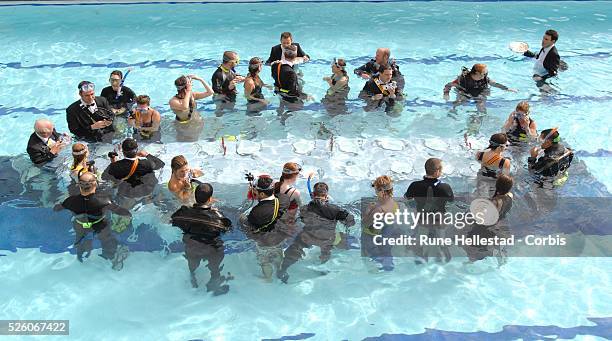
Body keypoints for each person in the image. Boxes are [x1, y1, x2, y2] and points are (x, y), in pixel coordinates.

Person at [276, 182, 355, 283]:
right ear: (326, 196)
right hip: (326, 239)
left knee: (295, 249)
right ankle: (323, 269)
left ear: (313, 194)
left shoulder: (305, 208)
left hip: (308, 236)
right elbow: (351, 222)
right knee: (326, 251)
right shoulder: (336, 210)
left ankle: (283, 270)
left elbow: (303, 220)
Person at [53, 172, 130, 270]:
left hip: (80, 225)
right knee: (107, 239)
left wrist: (60, 203)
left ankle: (81, 257)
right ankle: (111, 257)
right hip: (99, 225)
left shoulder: (70, 201)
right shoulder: (104, 201)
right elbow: (123, 212)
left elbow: (56, 209)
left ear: (79, 186)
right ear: (95, 185)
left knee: (80, 240)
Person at [171, 183, 232, 295]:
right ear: (210, 199)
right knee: (214, 268)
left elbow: (173, 221)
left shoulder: (183, 213)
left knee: (192, 264)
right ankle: (214, 283)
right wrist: (216, 211)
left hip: (192, 248)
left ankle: (193, 278)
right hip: (213, 249)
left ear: (195, 197)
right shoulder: (218, 218)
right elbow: (228, 230)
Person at [404, 158, 455, 263]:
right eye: (441, 170)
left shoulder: (415, 185)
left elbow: (406, 198)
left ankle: (421, 257)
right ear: (437, 172)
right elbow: (451, 201)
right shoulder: (445, 187)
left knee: (421, 236)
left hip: (423, 218)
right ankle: (442, 255)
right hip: (439, 219)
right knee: (441, 237)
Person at [239, 175, 286, 282]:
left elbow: (250, 230)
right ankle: (280, 271)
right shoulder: (283, 200)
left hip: (264, 242)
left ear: (262, 193)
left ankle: (268, 278)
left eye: (256, 191)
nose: (254, 192)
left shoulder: (256, 213)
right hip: (278, 237)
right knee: (278, 252)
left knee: (264, 261)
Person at [361, 175, 404, 271]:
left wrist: (368, 210)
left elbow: (365, 224)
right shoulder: (394, 204)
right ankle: (389, 266)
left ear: (382, 191)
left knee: (370, 252)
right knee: (386, 252)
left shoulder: (379, 209)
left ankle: (377, 266)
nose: (375, 192)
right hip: (386, 233)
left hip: (371, 235)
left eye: (376, 190)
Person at [443, 64, 517, 113]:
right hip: (465, 92)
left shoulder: (485, 79)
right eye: (484, 73)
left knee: (481, 107)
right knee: (459, 102)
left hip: (480, 92)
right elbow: (448, 85)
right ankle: (452, 112)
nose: (485, 75)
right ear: (477, 73)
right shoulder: (463, 79)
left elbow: (494, 84)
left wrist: (506, 88)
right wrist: (446, 94)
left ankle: (479, 119)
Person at [272, 45, 308, 113]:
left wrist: (279, 89)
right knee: (300, 107)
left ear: (284, 54)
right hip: (287, 96)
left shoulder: (275, 65)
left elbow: (274, 76)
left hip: (278, 90)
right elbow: (292, 92)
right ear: (295, 57)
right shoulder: (291, 73)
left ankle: (281, 109)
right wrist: (304, 96)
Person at [273, 162, 303, 238]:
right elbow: (302, 208)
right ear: (294, 176)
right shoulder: (295, 192)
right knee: (290, 236)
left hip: (276, 215)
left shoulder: (274, 183)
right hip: (289, 220)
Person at [211, 51, 245, 115]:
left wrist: (243, 78)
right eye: (236, 61)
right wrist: (228, 87)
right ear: (230, 62)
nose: (237, 63)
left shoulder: (230, 69)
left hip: (230, 96)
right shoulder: (218, 75)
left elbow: (233, 75)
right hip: (223, 100)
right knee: (222, 115)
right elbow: (216, 92)